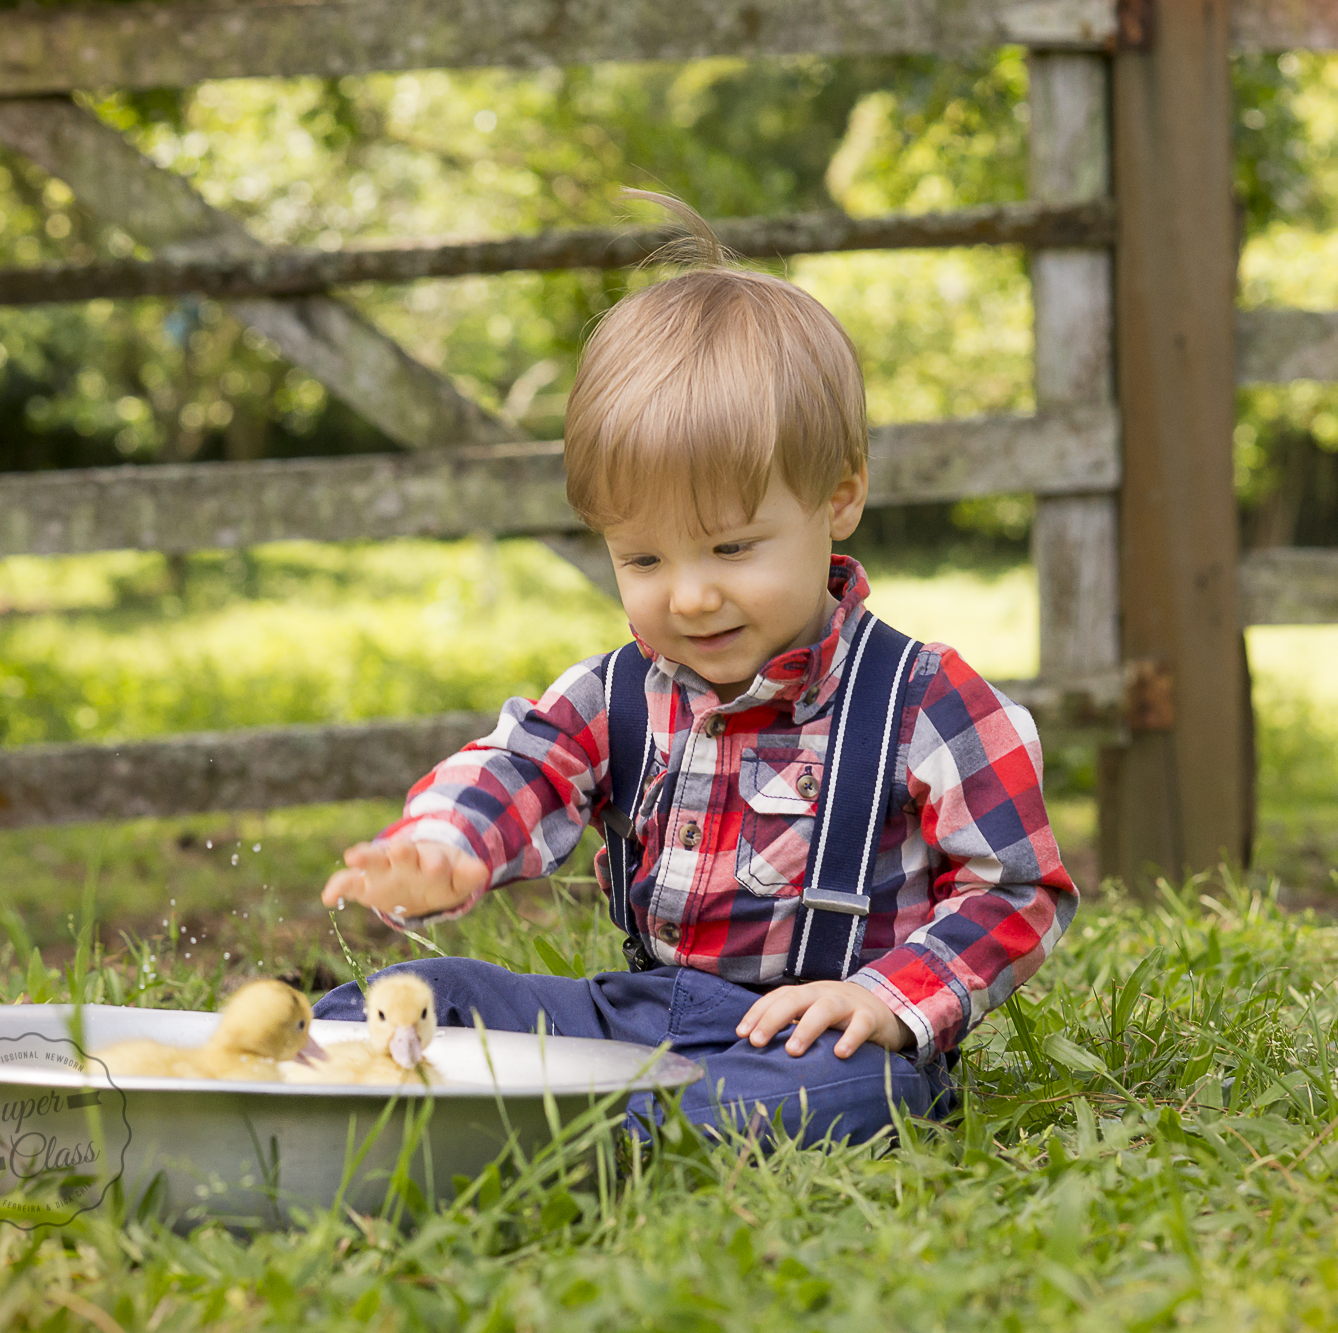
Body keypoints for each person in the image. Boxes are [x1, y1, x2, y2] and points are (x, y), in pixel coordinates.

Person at [314, 191, 1077, 1145]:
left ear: (839, 497)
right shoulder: (617, 693)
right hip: (633, 1014)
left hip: (810, 1045)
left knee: (859, 1090)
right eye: (643, 559)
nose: (689, 597)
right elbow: (520, 766)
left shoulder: (920, 701)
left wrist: (887, 999)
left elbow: (1016, 890)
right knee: (415, 994)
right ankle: (370, 1081)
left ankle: (583, 1128)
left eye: (731, 548)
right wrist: (446, 845)